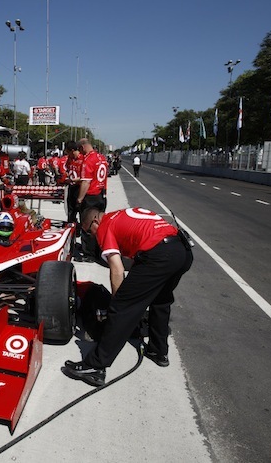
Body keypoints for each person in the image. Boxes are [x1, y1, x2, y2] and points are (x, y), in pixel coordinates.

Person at [62, 207, 193, 387]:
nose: (91, 236)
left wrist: (118, 303)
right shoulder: (121, 215)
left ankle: (95, 366)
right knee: (161, 301)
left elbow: (117, 268)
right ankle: (158, 351)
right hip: (182, 251)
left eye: (87, 231)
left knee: (121, 308)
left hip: (160, 254)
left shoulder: (105, 226)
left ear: (94, 222)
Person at [64, 141, 83, 224]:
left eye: (68, 152)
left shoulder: (83, 159)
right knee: (70, 210)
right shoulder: (69, 159)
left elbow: (85, 177)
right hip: (71, 187)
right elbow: (68, 169)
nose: (68, 155)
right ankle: (71, 227)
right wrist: (67, 176)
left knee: (81, 210)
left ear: (72, 150)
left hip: (80, 188)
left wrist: (73, 180)